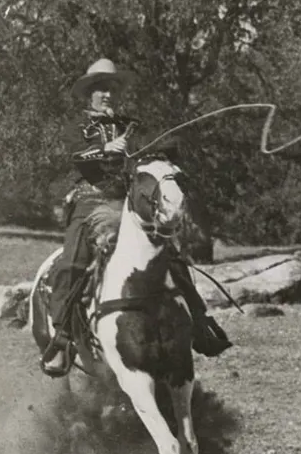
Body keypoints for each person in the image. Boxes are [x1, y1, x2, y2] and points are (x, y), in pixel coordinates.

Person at [40, 58, 231, 377]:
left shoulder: (133, 125)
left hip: (128, 203)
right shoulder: (75, 128)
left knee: (173, 258)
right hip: (89, 203)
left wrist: (164, 155)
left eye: (112, 88)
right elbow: (74, 158)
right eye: (101, 88)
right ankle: (62, 338)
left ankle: (200, 325)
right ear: (90, 93)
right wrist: (106, 148)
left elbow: (151, 156)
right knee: (72, 264)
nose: (107, 94)